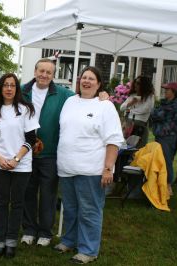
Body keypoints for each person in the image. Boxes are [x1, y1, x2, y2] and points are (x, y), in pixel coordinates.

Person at [54, 66, 124, 264]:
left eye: (91, 78)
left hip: (91, 170)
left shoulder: (105, 106)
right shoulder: (69, 101)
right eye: (83, 77)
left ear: (99, 83)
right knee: (70, 209)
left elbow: (113, 140)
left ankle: (88, 250)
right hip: (67, 168)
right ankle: (69, 240)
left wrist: (108, 168)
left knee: (89, 211)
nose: (86, 81)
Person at [0, 73, 39, 258]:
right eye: (5, 85)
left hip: (21, 165)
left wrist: (16, 159)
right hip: (0, 163)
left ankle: (11, 242)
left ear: (17, 89)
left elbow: (31, 138)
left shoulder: (26, 109)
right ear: (0, 88)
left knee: (16, 203)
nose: (9, 88)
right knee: (1, 202)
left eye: (12, 85)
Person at [21, 58, 74, 247]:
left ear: (53, 75)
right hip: (24, 151)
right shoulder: (21, 90)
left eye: (48, 73)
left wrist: (101, 96)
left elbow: (84, 98)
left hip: (50, 153)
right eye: (41, 71)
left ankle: (45, 232)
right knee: (27, 191)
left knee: (48, 194)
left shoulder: (63, 94)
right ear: (35, 72)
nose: (44, 75)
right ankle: (28, 229)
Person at [150, 82, 177, 196]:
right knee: (161, 160)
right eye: (165, 89)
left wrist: (156, 113)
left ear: (174, 92)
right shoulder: (164, 103)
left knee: (166, 161)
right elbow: (153, 114)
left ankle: (167, 186)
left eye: (167, 89)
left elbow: (157, 115)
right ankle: (161, 184)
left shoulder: (175, 105)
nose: (165, 91)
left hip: (169, 136)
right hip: (160, 135)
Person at [120, 75, 155, 148]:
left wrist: (131, 109)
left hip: (140, 124)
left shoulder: (149, 97)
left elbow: (145, 110)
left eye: (138, 83)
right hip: (129, 123)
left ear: (144, 85)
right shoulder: (133, 96)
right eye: (135, 82)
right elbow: (121, 108)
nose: (135, 84)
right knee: (126, 145)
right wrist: (131, 103)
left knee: (138, 148)